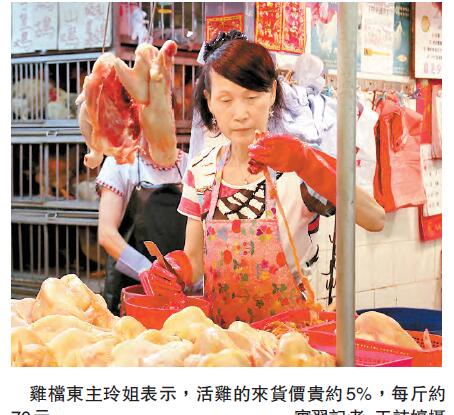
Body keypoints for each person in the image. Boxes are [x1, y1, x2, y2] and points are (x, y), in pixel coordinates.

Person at [140, 31, 385, 328]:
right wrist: (174, 270)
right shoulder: (201, 170)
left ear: (272, 93)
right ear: (209, 101)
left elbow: (375, 218)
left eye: (252, 97)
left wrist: (306, 162)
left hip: (289, 337)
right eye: (226, 99)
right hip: (222, 338)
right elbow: (195, 259)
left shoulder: (294, 165)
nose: (240, 113)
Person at [78, 45, 189, 314]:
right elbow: (107, 234)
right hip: (131, 290)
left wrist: (191, 275)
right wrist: (146, 270)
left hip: (182, 289)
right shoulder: (121, 163)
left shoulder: (188, 164)